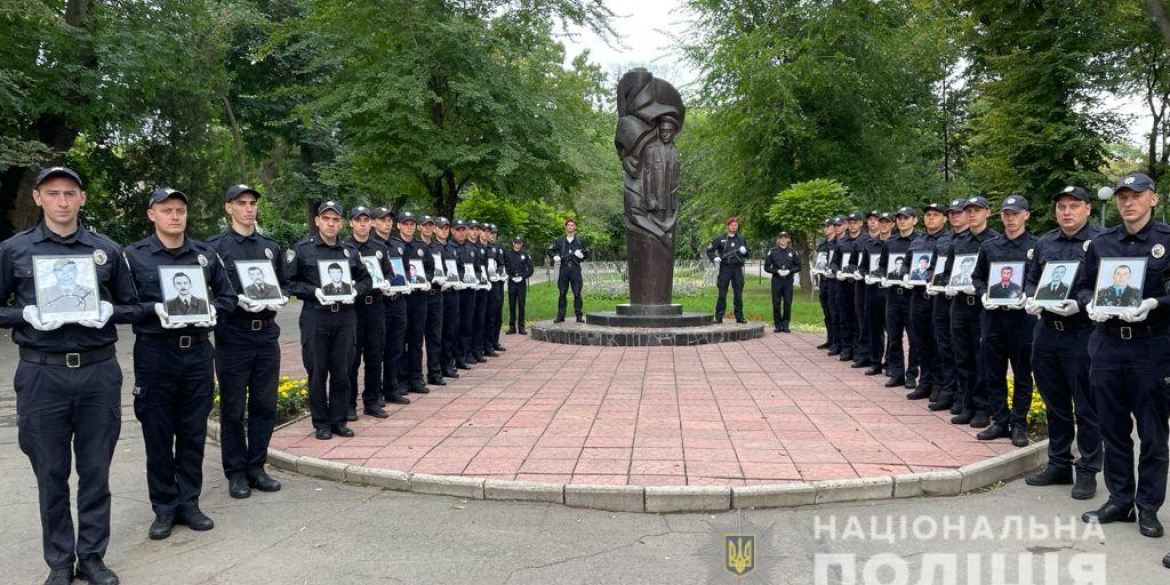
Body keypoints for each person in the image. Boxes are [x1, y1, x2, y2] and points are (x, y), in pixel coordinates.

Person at [0, 167, 139, 585]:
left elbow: (135, 306)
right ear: (39, 198)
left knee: (96, 470)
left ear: (82, 198)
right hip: (42, 374)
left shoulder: (106, 250)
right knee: (51, 472)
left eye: (70, 193)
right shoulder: (13, 250)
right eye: (53, 193)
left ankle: (92, 556)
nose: (62, 201)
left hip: (98, 370)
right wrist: (21, 314)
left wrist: (109, 310)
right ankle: (60, 561)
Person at [124, 187, 235, 541]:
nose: (175, 216)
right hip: (156, 353)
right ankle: (164, 507)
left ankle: (189, 502)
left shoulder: (205, 254)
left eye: (180, 210)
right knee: (157, 432)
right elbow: (121, 305)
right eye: (167, 209)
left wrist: (216, 308)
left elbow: (228, 296)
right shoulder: (133, 256)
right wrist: (152, 310)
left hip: (198, 352)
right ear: (151, 214)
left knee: (192, 431)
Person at [1074, 172, 1170, 547]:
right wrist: (1089, 303)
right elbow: (1083, 285)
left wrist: (1155, 303)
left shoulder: (1166, 241)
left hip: (1151, 347)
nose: (1128, 202)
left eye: (1136, 195)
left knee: (1151, 432)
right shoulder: (1101, 243)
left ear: (1153, 199)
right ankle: (1119, 500)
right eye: (1122, 197)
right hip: (1108, 345)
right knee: (1111, 428)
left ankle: (1148, 505)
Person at [207, 183, 287, 501]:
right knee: (233, 407)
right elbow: (208, 290)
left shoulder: (270, 246)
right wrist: (232, 301)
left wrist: (279, 295)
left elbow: (281, 283)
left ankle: (257, 466)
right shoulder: (213, 248)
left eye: (253, 203)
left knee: (265, 405)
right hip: (233, 334)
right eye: (241, 203)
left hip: (266, 332)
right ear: (229, 207)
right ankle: (236, 472)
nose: (249, 208)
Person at [1022, 185, 1102, 501]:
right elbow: (1031, 278)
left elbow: (1110, 283)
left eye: (1073, 205)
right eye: (1061, 207)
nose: (1066, 212)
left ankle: (1088, 470)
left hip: (1082, 332)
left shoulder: (1101, 242)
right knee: (1055, 403)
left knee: (1086, 406)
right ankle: (1058, 464)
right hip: (1046, 332)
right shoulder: (1045, 242)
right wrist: (1030, 296)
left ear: (1088, 208)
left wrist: (1082, 305)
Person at [285, 201, 370, 440]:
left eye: (335, 219)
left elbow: (366, 279)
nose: (331, 224)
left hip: (344, 316)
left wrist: (356, 290)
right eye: (326, 219)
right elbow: (289, 282)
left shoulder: (349, 251)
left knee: (343, 370)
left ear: (341, 223)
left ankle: (339, 420)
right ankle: (321, 422)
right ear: (317, 221)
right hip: (316, 316)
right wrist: (313, 292)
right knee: (318, 370)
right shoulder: (303, 250)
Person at [970, 195, 1036, 443]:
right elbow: (977, 277)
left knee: (1022, 373)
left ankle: (1018, 423)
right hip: (994, 318)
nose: (1011, 218)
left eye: (1016, 213)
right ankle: (1000, 420)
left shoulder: (1036, 247)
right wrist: (983, 293)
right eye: (1007, 214)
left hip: (1022, 320)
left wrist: (1029, 295)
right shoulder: (989, 247)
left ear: (1026, 215)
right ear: (1001, 217)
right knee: (993, 372)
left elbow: (1039, 279)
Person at [942, 197, 999, 425]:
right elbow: (947, 272)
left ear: (988, 212)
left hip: (981, 308)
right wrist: (949, 283)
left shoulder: (995, 241)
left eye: (977, 210)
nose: (972, 214)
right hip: (959, 304)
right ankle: (967, 404)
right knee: (962, 356)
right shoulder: (958, 242)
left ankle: (983, 408)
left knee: (981, 358)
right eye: (969, 211)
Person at [344, 206, 393, 419]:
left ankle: (372, 401)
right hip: (354, 308)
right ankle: (349, 404)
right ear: (351, 223)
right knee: (351, 359)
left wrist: (387, 282)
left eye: (366, 220)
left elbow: (390, 273)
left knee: (374, 356)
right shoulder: (344, 248)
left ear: (371, 223)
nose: (363, 223)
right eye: (358, 220)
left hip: (376, 306)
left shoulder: (379, 248)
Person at [927, 199, 970, 412]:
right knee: (943, 346)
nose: (955, 216)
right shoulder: (943, 241)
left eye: (959, 212)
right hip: (942, 300)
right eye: (952, 213)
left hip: (965, 302)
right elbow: (934, 268)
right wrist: (928, 279)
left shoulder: (977, 241)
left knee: (962, 350)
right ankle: (949, 389)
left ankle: (963, 394)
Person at [903, 203, 947, 401]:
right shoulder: (917, 242)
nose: (930, 218)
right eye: (928, 214)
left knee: (938, 342)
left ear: (944, 218)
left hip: (938, 299)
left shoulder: (948, 241)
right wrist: (905, 275)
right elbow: (906, 264)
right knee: (920, 341)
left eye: (935, 214)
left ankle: (938, 384)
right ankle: (925, 381)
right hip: (918, 296)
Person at [371, 207, 410, 406]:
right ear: (373, 222)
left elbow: (404, 271)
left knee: (396, 347)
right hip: (380, 304)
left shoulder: (397, 246)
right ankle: (375, 392)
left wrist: (410, 281)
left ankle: (392, 388)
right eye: (382, 219)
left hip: (398, 301)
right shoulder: (370, 246)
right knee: (377, 350)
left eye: (389, 220)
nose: (387, 223)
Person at [880, 208, 917, 387]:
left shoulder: (919, 242)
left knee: (914, 338)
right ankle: (897, 372)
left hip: (912, 296)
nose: (902, 221)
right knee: (894, 336)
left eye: (906, 218)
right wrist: (881, 276)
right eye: (900, 219)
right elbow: (882, 266)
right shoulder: (890, 243)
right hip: (893, 295)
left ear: (914, 220)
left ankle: (912, 374)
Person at [419, 215, 448, 386]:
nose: (428, 227)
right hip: (420, 295)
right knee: (414, 339)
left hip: (436, 294)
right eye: (425, 225)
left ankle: (434, 372)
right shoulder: (415, 247)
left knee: (435, 336)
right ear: (420, 227)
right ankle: (412, 376)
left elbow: (444, 268)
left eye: (430, 225)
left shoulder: (438, 248)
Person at [707, 216, 751, 324]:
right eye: (732, 225)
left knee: (738, 294)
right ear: (728, 226)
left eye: (735, 225)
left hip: (737, 269)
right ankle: (718, 317)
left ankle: (739, 317)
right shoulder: (720, 238)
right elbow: (709, 250)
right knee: (722, 294)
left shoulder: (741, 238)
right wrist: (715, 258)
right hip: (725, 268)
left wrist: (745, 251)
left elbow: (748, 253)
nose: (734, 227)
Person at [433, 217, 462, 380]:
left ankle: (447, 364)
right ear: (435, 229)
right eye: (441, 227)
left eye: (446, 227)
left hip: (452, 292)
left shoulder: (451, 248)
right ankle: (436, 368)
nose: (443, 230)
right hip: (438, 292)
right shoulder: (432, 248)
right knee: (438, 332)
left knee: (451, 329)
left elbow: (457, 268)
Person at [547, 217, 590, 322]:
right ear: (565, 227)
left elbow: (586, 254)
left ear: (575, 227)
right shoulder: (559, 241)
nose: (570, 227)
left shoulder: (580, 241)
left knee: (577, 293)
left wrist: (581, 256)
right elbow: (549, 250)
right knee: (562, 293)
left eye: (572, 225)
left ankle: (579, 315)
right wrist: (554, 256)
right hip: (564, 269)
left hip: (575, 269)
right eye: (568, 225)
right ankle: (561, 316)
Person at [764, 231, 801, 332]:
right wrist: (777, 271)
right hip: (776, 281)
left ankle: (785, 324)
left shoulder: (793, 252)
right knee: (776, 303)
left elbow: (799, 266)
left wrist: (790, 271)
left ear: (788, 239)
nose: (783, 240)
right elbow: (766, 267)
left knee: (787, 303)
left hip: (788, 281)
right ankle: (778, 324)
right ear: (778, 240)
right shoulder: (772, 251)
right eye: (781, 238)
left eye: (785, 238)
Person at [815, 218, 838, 351]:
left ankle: (836, 341)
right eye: (824, 226)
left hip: (834, 280)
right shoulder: (822, 244)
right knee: (826, 311)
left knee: (834, 312)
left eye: (828, 226)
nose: (825, 228)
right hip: (823, 280)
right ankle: (830, 339)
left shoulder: (838, 243)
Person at [504, 235, 534, 334]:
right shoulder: (508, 254)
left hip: (521, 283)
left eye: (519, 243)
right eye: (516, 242)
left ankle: (521, 327)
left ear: (521, 244)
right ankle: (512, 327)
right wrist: (511, 277)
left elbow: (531, 269)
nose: (517, 244)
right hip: (512, 282)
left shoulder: (525, 254)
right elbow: (505, 268)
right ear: (513, 243)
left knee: (521, 305)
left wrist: (523, 277)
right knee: (512, 305)